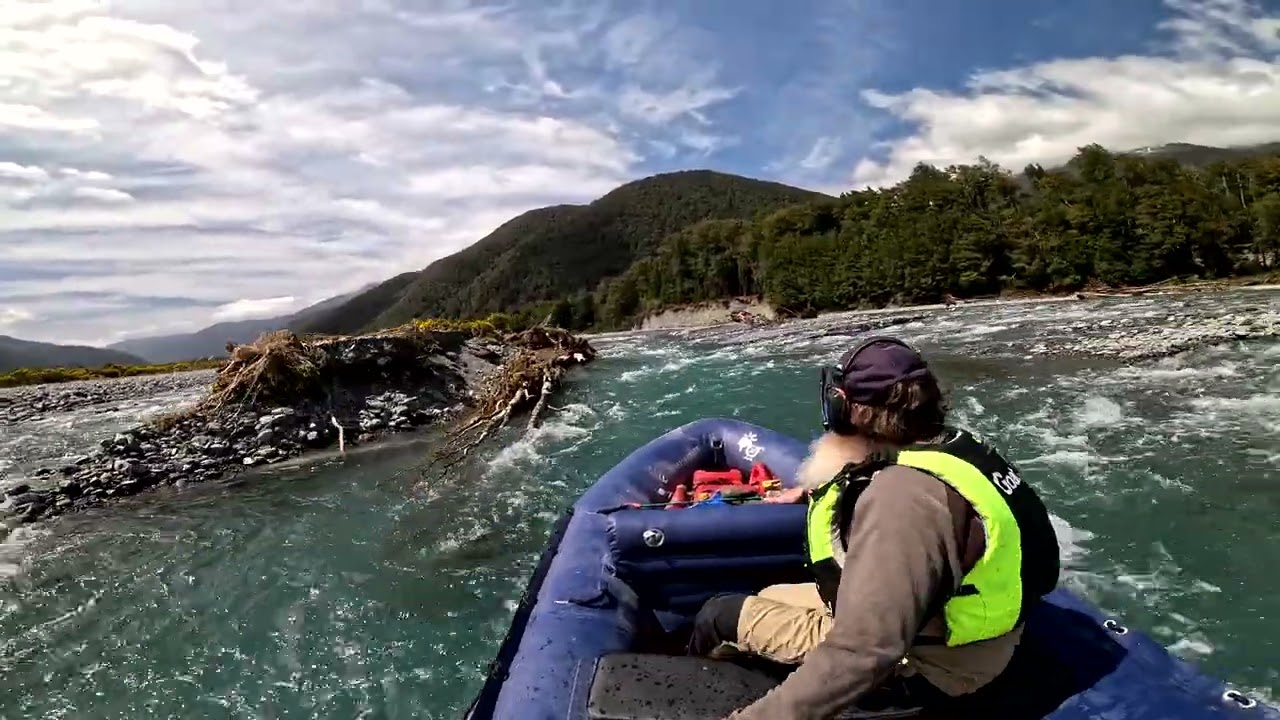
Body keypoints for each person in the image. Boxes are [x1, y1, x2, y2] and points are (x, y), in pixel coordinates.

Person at [686, 336, 1061, 719]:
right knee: (771, 594)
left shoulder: (900, 500)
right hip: (973, 637)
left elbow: (864, 652)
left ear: (846, 409)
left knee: (719, 616)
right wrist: (807, 491)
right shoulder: (953, 449)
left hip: (933, 669)